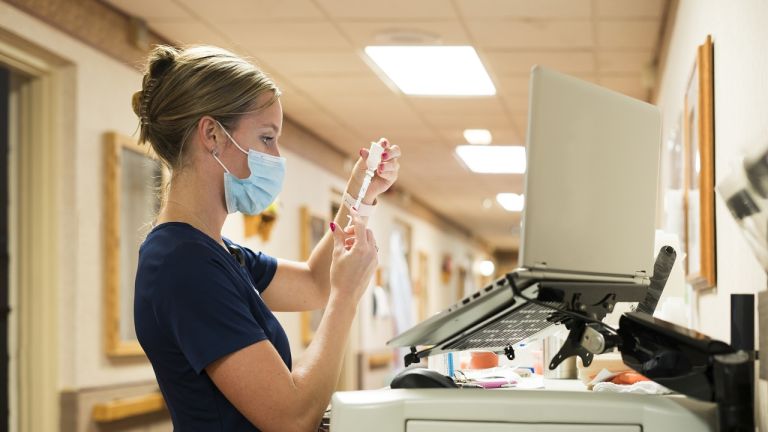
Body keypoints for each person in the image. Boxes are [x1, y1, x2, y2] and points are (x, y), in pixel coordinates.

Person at [131, 45, 401, 431]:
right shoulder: (181, 263)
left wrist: (361, 192)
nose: (275, 157)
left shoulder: (214, 251)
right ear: (212, 135)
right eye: (266, 138)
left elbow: (312, 283)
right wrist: (346, 300)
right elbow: (292, 418)